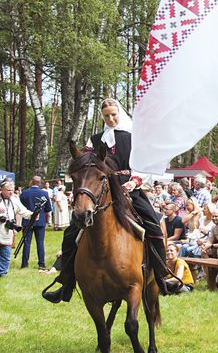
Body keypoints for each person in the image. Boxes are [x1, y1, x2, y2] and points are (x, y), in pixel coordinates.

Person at [43, 98, 174, 304]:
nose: (111, 118)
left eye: (114, 114)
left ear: (119, 113)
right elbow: (84, 164)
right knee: (71, 232)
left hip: (130, 188)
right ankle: (65, 283)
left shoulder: (133, 137)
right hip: (101, 190)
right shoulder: (94, 140)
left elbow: (144, 163)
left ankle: (162, 276)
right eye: (106, 116)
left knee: (153, 224)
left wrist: (135, 181)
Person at [0, 181, 33, 276]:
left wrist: (33, 215)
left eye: (12, 190)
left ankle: (3, 274)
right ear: (2, 190)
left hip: (6, 232)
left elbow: (23, 211)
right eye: (8, 190)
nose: (11, 192)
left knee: (6, 255)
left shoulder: (14, 200)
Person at [19, 176, 53, 270]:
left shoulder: (24, 193)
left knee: (26, 243)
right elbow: (49, 208)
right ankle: (41, 264)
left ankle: (24, 263)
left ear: (31, 182)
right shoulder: (44, 193)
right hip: (40, 221)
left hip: (27, 221)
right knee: (40, 243)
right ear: (40, 183)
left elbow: (19, 207)